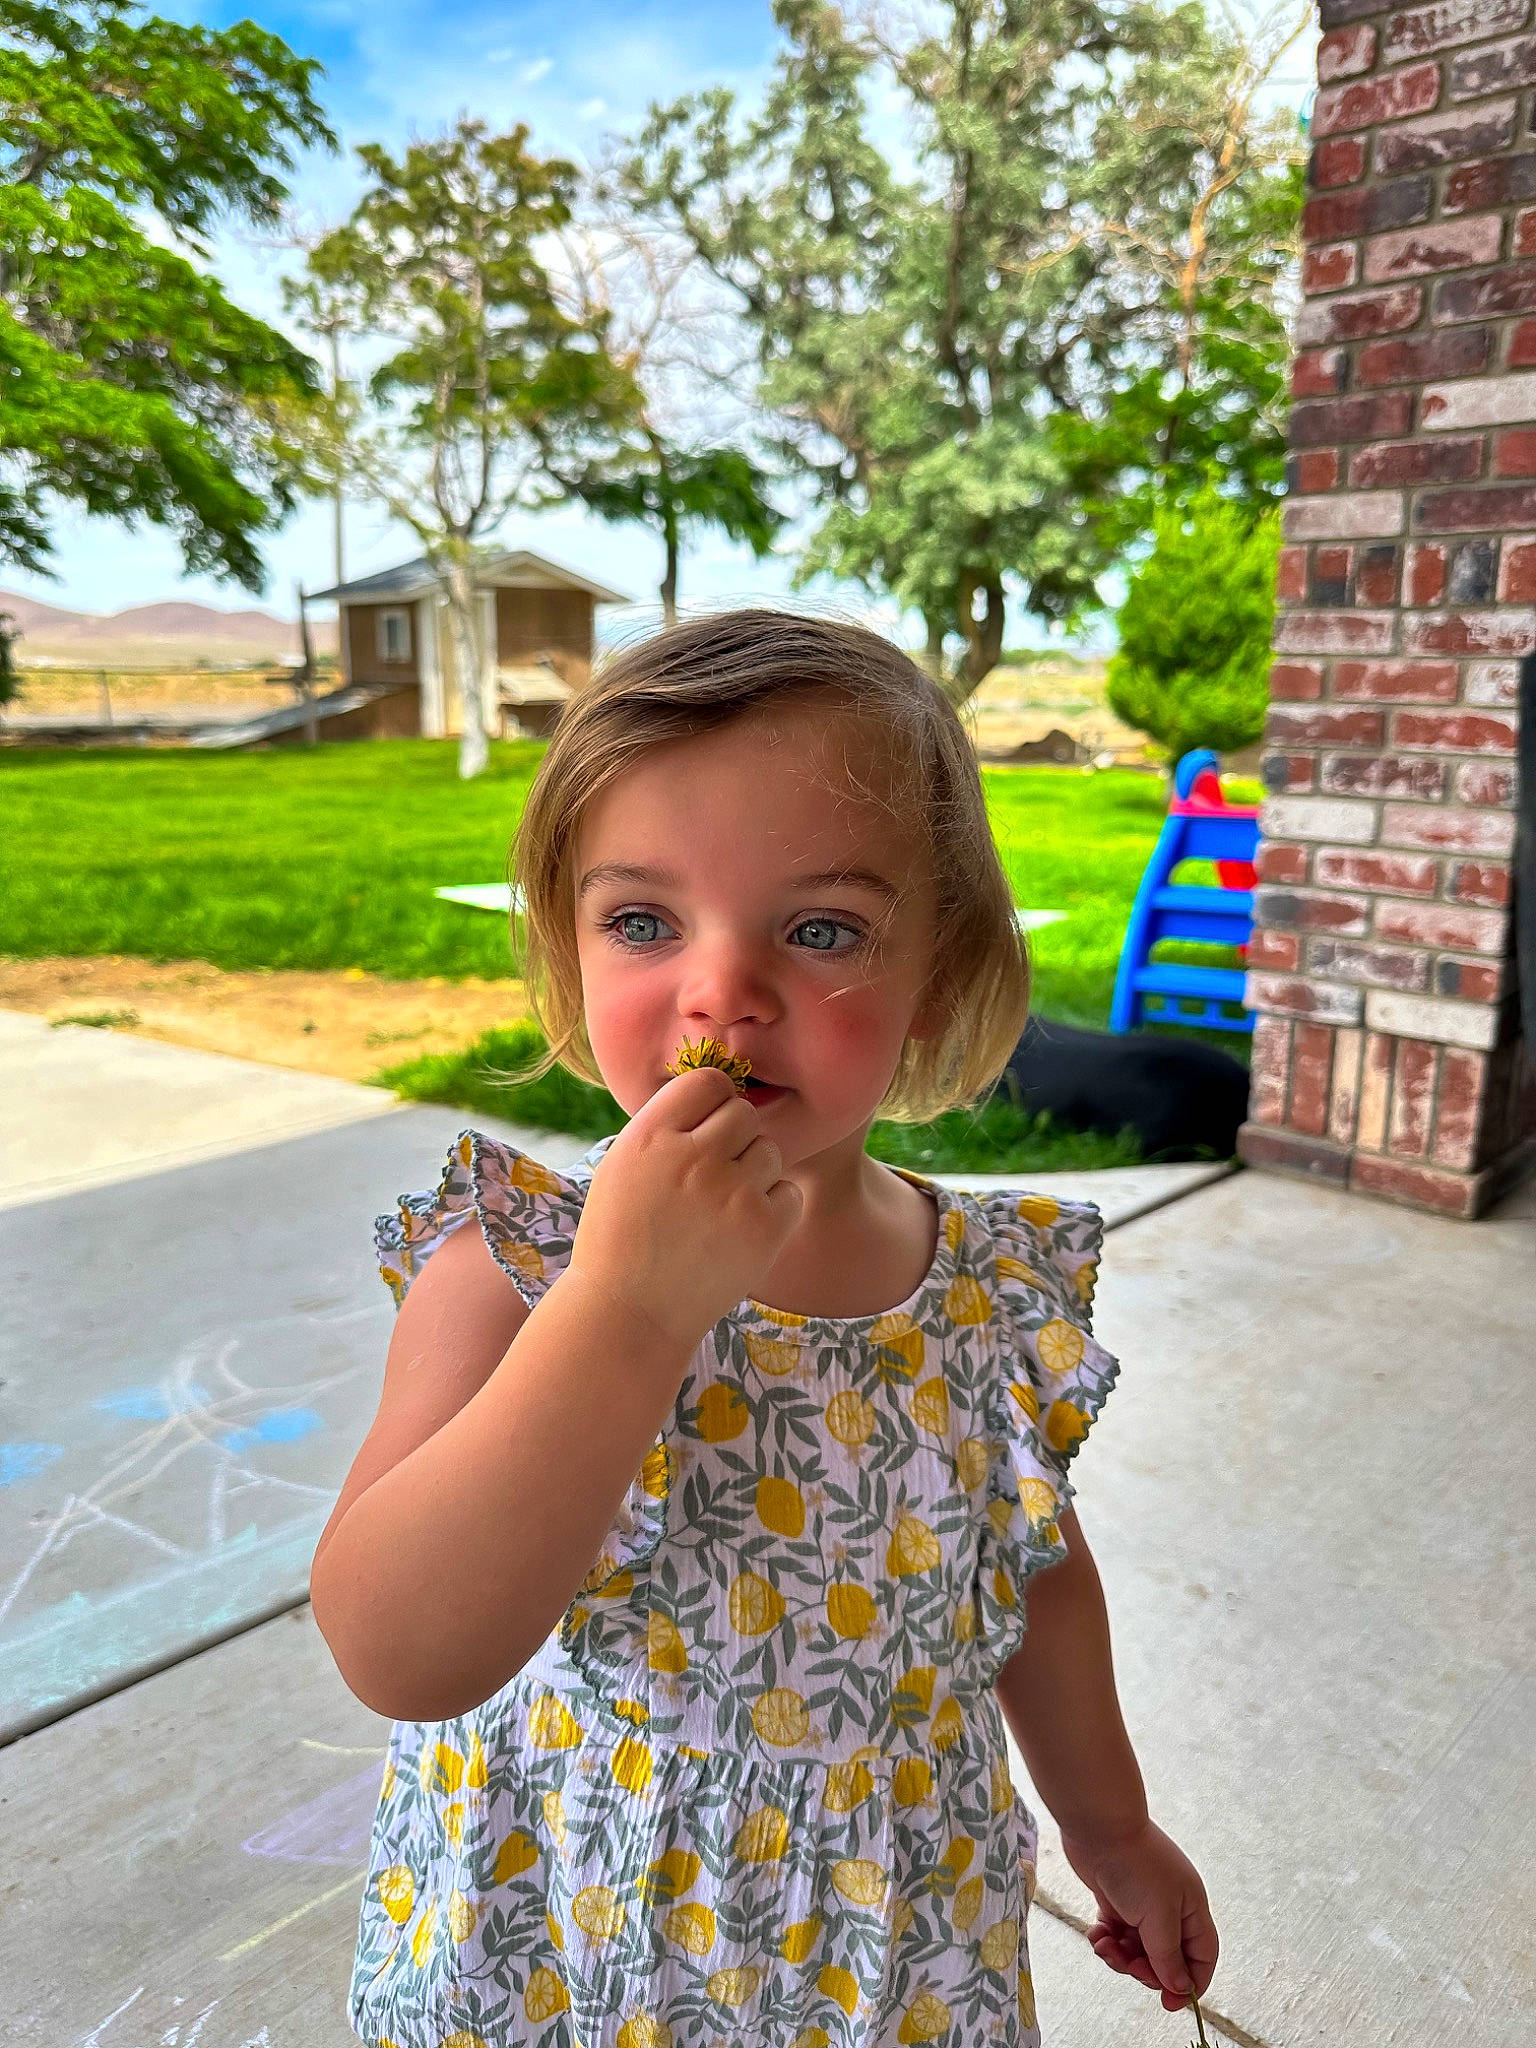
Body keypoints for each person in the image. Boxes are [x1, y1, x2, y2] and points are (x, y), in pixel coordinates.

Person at [312, 609, 1219, 2048]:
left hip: (883, 1949)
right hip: (569, 1941)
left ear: (936, 976)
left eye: (820, 930)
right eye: (643, 921)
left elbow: (1031, 1579)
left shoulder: (983, 1293)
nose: (721, 991)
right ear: (567, 944)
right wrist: (628, 1309)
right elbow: (397, 1651)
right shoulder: (517, 1263)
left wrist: (1114, 1831)